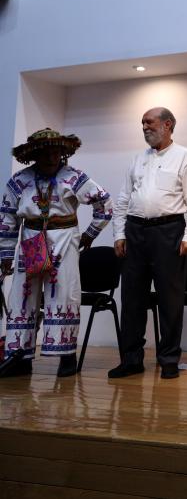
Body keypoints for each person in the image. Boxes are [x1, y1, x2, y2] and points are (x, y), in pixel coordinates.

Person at [0, 128, 113, 377]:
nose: (52, 158)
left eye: (56, 153)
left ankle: (66, 356)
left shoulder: (74, 178)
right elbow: (7, 217)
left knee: (63, 294)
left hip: (64, 240)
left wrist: (90, 234)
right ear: (34, 155)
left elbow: (104, 203)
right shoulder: (19, 181)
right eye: (45, 153)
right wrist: (6, 255)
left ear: (63, 154)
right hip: (30, 240)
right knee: (22, 295)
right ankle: (20, 356)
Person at [108, 108, 187, 380]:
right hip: (135, 231)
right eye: (142, 123)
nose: (144, 127)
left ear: (168, 124)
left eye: (149, 122)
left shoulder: (184, 156)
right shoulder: (137, 159)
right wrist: (119, 234)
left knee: (170, 299)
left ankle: (169, 359)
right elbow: (123, 199)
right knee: (131, 299)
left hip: (169, 231)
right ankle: (131, 359)